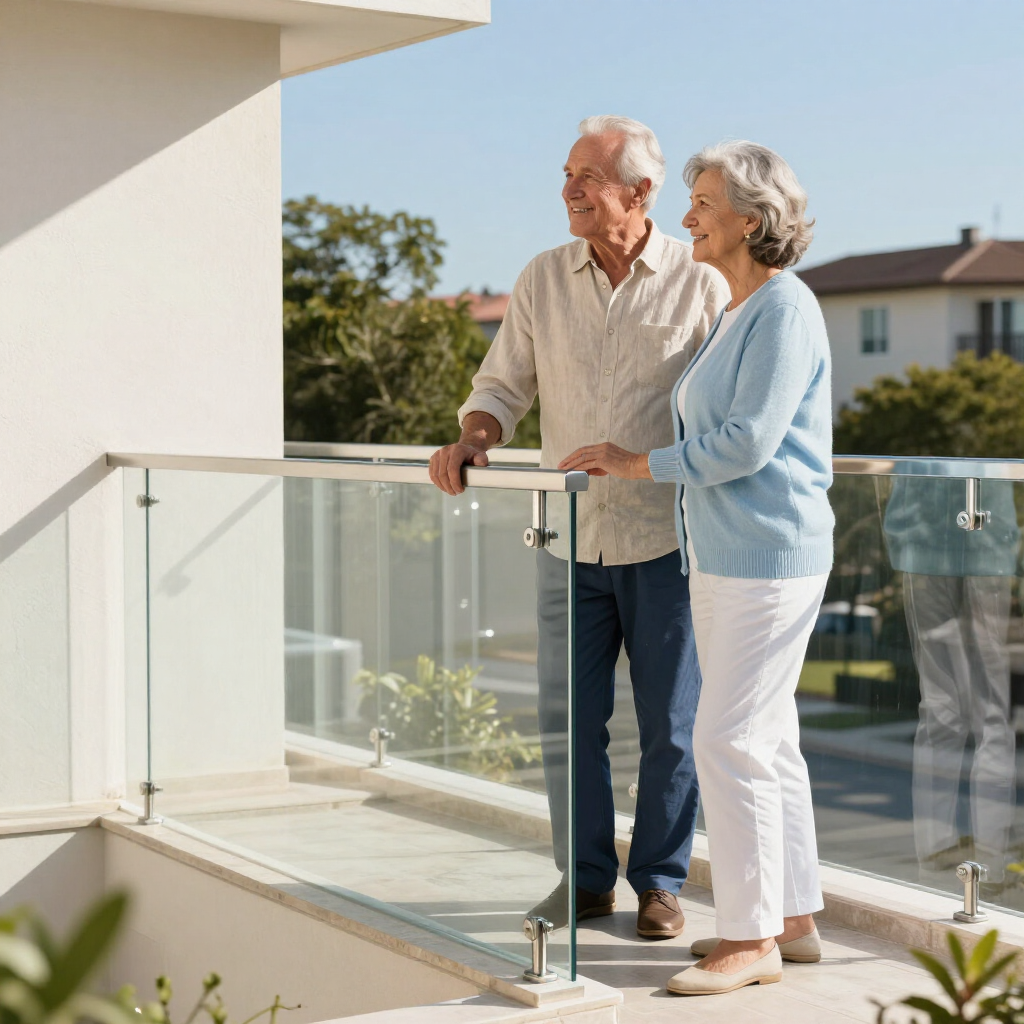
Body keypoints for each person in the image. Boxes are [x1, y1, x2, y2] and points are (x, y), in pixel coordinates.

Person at [429, 115, 727, 939]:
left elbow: (725, 415)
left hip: (669, 540)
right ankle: (586, 880)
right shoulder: (540, 278)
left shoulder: (702, 284)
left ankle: (661, 883)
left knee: (672, 724)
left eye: (587, 178)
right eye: (566, 174)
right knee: (569, 720)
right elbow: (500, 388)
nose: (568, 190)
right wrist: (476, 438)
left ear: (639, 193)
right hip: (565, 538)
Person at [560, 140, 834, 995]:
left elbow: (749, 442)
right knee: (770, 739)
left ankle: (747, 940)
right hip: (723, 555)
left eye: (705, 204)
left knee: (728, 738)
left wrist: (638, 463)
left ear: (749, 222)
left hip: (767, 556)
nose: (688, 218)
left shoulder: (784, 308)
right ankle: (791, 919)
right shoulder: (738, 309)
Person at [883, 476, 1020, 884]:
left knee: (956, 713)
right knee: (985, 713)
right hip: (961, 538)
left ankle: (945, 856)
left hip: (943, 536)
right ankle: (981, 861)